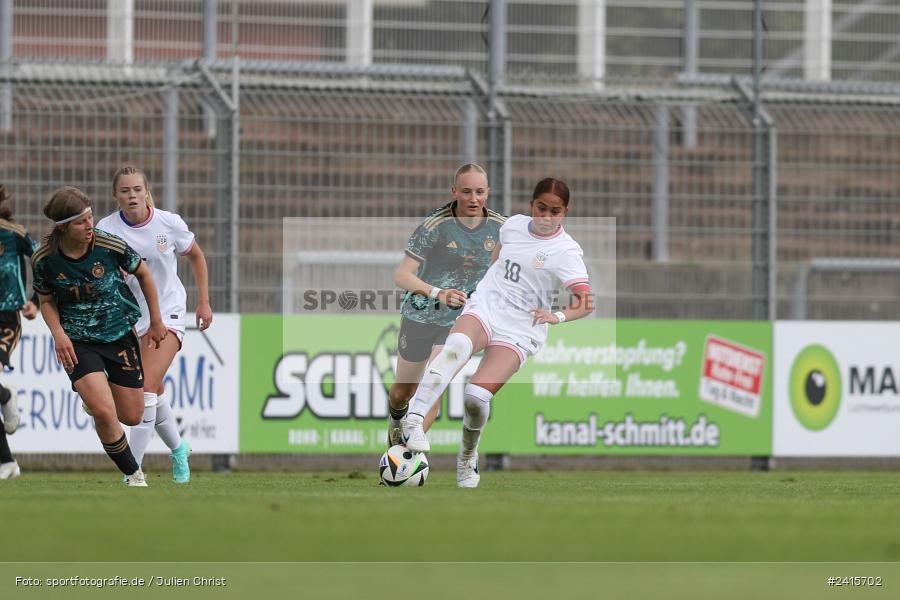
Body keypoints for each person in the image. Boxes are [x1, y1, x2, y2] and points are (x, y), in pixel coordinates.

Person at [403, 178, 593, 488]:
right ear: (531, 205)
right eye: (541, 208)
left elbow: (585, 302)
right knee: (455, 350)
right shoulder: (514, 225)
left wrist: (556, 316)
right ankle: (414, 420)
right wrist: (483, 286)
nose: (546, 217)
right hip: (487, 307)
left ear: (565, 212)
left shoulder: (566, 251)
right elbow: (499, 258)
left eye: (554, 211)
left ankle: (467, 455)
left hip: (521, 327)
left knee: (476, 397)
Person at [32, 186, 168, 487]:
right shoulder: (45, 260)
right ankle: (135, 475)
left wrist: (156, 320)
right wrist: (58, 334)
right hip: (77, 341)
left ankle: (95, 395)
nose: (89, 225)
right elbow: (46, 301)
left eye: (91, 217)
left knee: (132, 416)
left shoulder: (109, 245)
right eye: (81, 222)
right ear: (63, 226)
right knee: (105, 412)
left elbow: (144, 274)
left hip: (119, 334)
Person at [97, 165, 211, 484]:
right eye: (124, 191)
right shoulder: (106, 229)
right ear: (115, 195)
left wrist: (203, 302)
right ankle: (179, 448)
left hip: (170, 311)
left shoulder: (168, 223)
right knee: (155, 391)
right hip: (134, 319)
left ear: (146, 191)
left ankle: (133, 471)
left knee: (144, 388)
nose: (131, 196)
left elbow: (197, 256)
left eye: (137, 190)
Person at [388, 164, 505, 447]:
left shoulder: (502, 228)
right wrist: (439, 293)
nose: (473, 198)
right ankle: (397, 421)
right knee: (403, 392)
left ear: (488, 192)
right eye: (466, 191)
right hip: (421, 314)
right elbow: (402, 275)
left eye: (479, 192)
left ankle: (407, 454)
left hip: (460, 319)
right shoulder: (435, 225)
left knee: (435, 381)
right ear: (454, 192)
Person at [0, 185, 40, 480]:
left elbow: (44, 262)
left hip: (6, 318)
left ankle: (5, 463)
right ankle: (4, 395)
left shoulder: (14, 233)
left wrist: (35, 301)